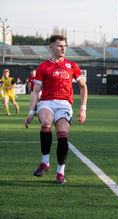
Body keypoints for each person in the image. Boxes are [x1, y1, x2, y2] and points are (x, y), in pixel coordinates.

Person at [24, 35, 88, 184]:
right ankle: (45, 163)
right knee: (46, 122)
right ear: (51, 47)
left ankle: (60, 172)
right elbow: (35, 91)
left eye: (64, 45)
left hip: (65, 104)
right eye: (59, 46)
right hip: (47, 102)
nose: (63, 48)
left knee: (62, 134)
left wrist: (82, 109)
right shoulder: (43, 67)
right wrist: (30, 112)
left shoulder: (72, 66)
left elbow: (83, 86)